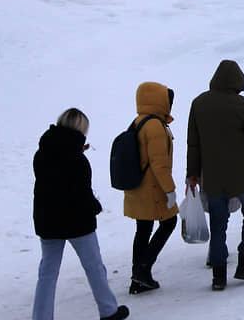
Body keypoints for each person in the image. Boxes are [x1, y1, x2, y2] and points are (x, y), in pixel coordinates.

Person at [33, 108, 129, 320]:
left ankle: (41, 317)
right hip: (78, 222)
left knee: (47, 274)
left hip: (47, 221)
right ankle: (108, 310)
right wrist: (96, 207)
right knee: (94, 267)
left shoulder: (41, 153)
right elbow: (81, 194)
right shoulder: (77, 160)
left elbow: (49, 186)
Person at [186, 60, 244, 291]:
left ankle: (219, 276)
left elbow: (194, 144)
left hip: (212, 176)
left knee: (218, 223)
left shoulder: (198, 103)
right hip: (241, 176)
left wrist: (193, 174)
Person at [123, 82, 178, 295]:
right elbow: (159, 164)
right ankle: (143, 270)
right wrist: (170, 190)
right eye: (168, 101)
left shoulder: (138, 122)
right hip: (152, 188)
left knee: (143, 229)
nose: (170, 105)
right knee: (169, 222)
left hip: (137, 187)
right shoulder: (155, 126)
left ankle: (138, 278)